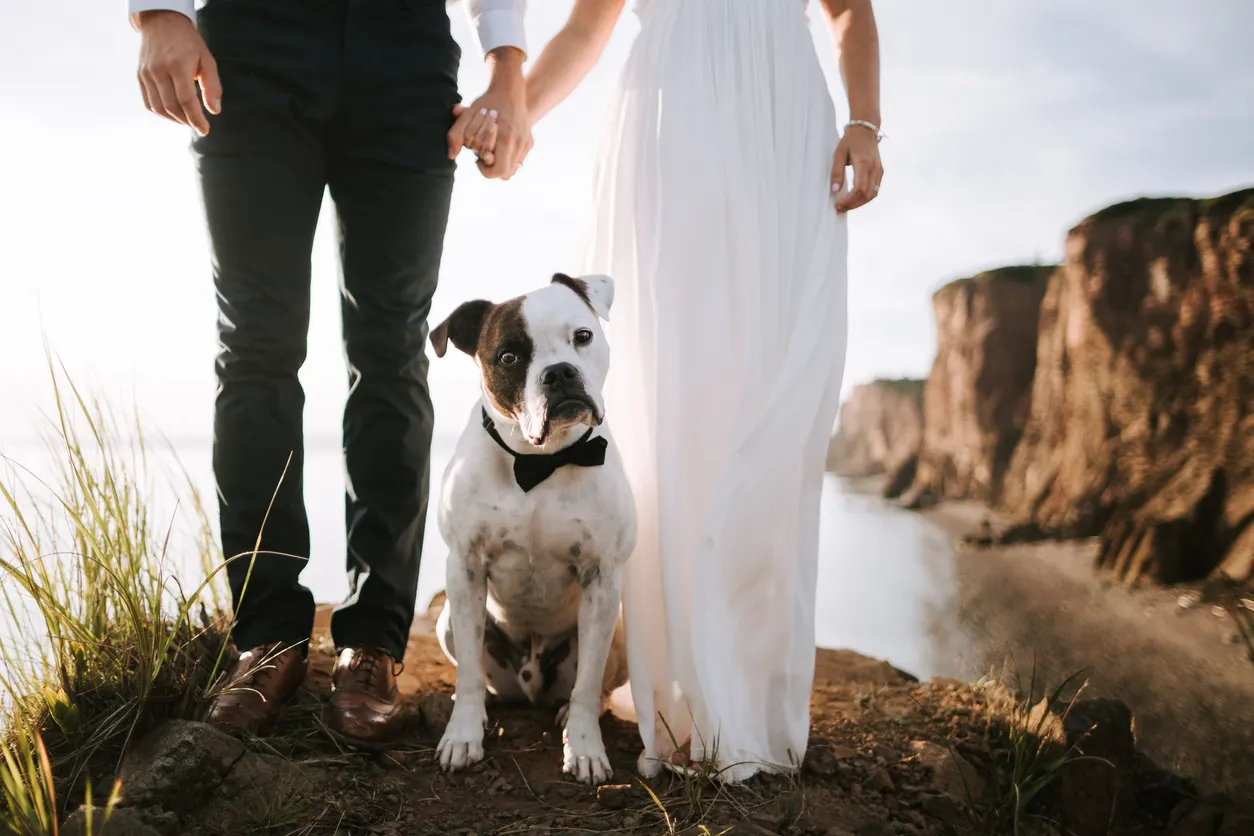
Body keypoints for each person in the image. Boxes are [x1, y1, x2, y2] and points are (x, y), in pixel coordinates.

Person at [460, 0, 882, 780]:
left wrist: (866, 121)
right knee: (668, 399)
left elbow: (849, 10)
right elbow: (587, 29)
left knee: (770, 393)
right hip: (665, 121)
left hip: (779, 117)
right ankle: (677, 699)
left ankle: (750, 700)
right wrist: (516, 111)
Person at [128, 0, 529, 748]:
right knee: (255, 344)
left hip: (405, 54)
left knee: (392, 351)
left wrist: (508, 66)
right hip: (252, 42)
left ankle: (371, 648)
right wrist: (157, 13)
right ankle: (268, 638)